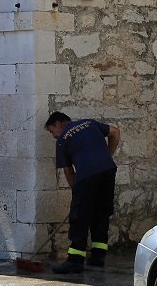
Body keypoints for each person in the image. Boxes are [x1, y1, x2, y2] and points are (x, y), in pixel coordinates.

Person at [44, 112, 121, 274]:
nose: (53, 136)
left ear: (58, 123)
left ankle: (75, 260)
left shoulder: (62, 140)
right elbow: (115, 131)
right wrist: (108, 155)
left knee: (79, 217)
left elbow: (68, 171)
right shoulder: (90, 123)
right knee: (101, 213)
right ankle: (98, 258)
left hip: (87, 176)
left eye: (52, 131)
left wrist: (76, 194)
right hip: (107, 171)